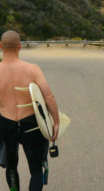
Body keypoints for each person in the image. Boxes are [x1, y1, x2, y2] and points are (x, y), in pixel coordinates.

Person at [0, 30, 59, 191]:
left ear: (0, 46)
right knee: (35, 170)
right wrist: (56, 122)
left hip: (6, 125)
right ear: (19, 47)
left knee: (11, 167)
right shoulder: (32, 69)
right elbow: (49, 96)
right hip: (31, 125)